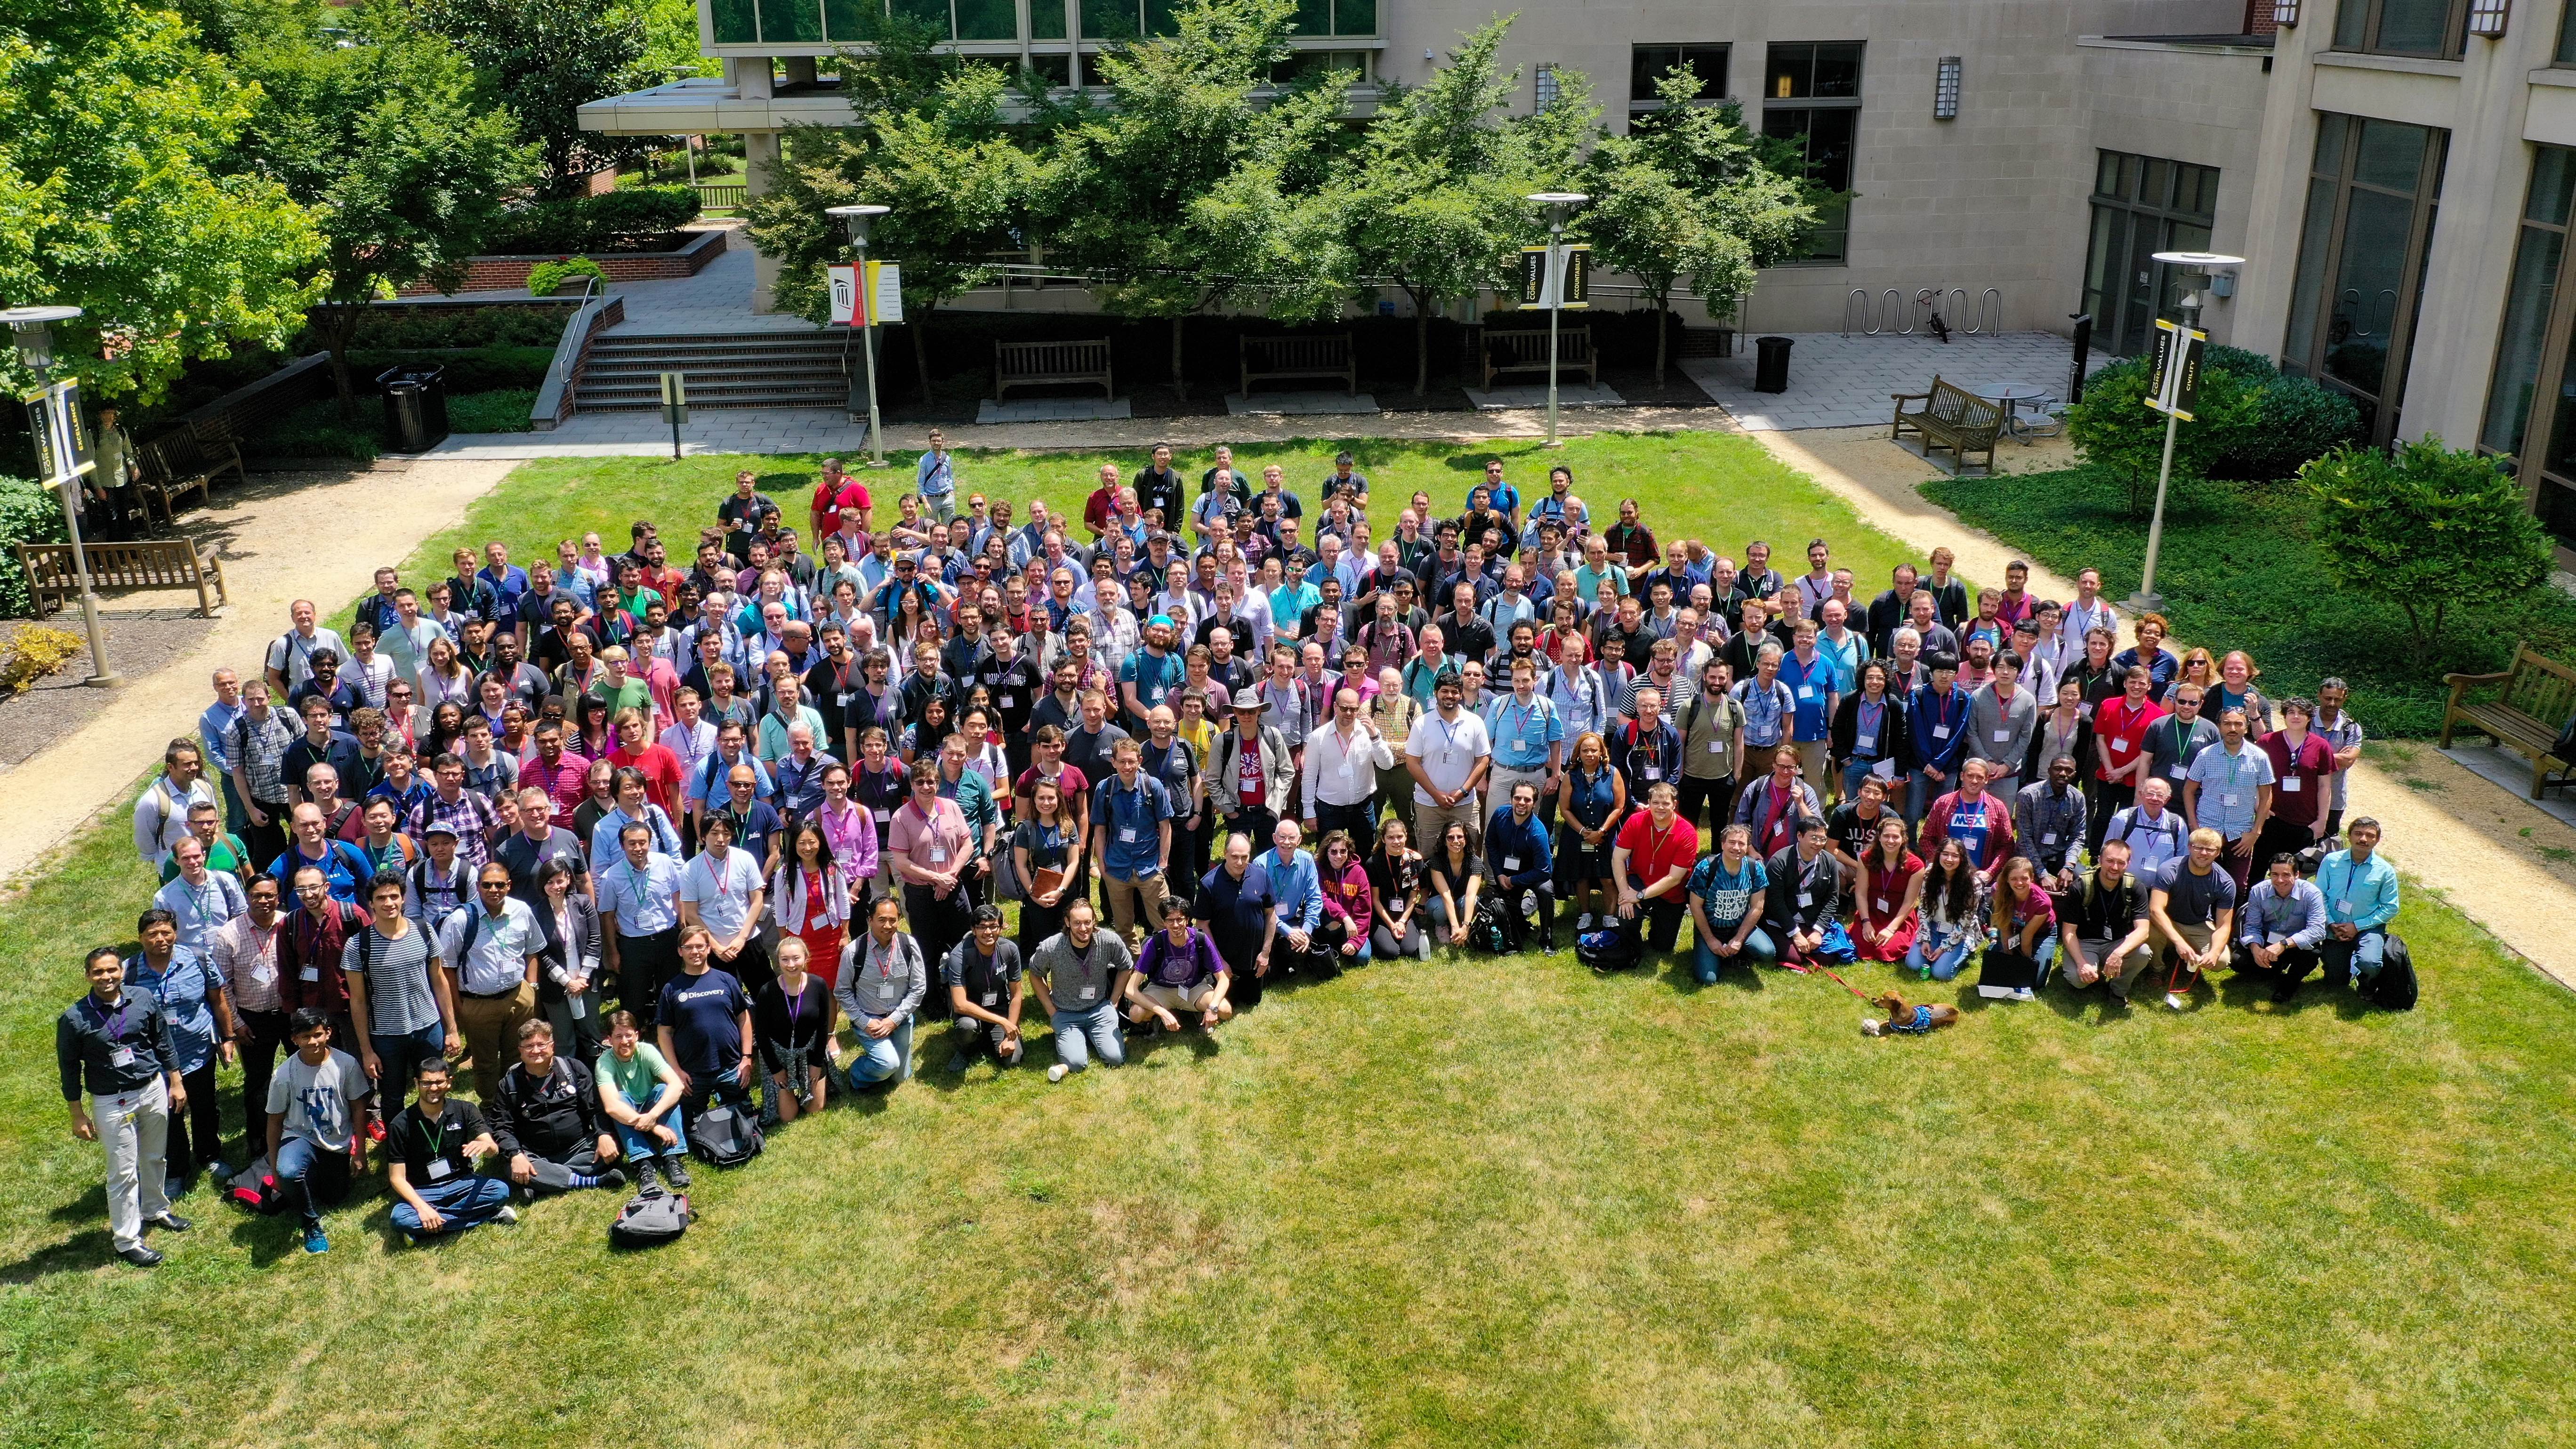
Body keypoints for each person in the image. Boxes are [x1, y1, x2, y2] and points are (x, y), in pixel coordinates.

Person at [60, 946, 191, 1266]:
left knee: (155, 1156)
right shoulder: (74, 1018)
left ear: (122, 971)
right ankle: (127, 1239)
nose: (106, 977)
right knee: (122, 1172)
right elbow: (69, 1068)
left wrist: (175, 1081)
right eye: (98, 972)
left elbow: (163, 1041)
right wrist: (77, 1114)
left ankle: (155, 1210)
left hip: (151, 1088)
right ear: (88, 976)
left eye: (112, 970)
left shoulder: (143, 999)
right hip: (111, 1099)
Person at [258, 1008, 370, 1253]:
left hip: (337, 1142)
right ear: (294, 1039)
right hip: (299, 1136)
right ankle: (311, 1224)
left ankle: (310, 1178)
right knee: (289, 1172)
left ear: (328, 1033)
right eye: (305, 1037)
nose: (313, 1042)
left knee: (334, 1198)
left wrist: (360, 1151)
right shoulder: (284, 1074)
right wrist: (275, 1169)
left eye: (318, 1034)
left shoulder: (346, 1064)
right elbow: (274, 1121)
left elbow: (359, 1109)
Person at [438, 864, 542, 1105]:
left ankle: (517, 1099)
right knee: (485, 1062)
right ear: (478, 887)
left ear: (509, 885)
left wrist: (532, 989)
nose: (494, 890)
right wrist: (459, 1008)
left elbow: (534, 950)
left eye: (500, 884)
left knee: (518, 1054)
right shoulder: (460, 920)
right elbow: (447, 969)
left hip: (519, 996)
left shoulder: (522, 910)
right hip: (478, 1004)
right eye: (487, 885)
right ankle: (490, 1104)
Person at [486, 1018, 626, 1198]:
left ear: (552, 1046)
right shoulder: (509, 1085)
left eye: (541, 1045)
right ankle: (591, 1181)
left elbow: (595, 1108)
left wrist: (604, 1135)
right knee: (514, 1164)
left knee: (615, 1145)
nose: (536, 1051)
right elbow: (502, 1127)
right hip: (535, 1154)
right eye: (529, 1047)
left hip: (580, 1148)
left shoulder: (574, 1069)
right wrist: (516, 1155)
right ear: (520, 1051)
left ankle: (545, 1183)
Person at [384, 1057, 517, 1243]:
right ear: (417, 1084)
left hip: (461, 1183)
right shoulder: (401, 1124)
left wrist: (487, 1146)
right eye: (427, 1083)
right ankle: (488, 1216)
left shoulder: (465, 1110)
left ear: (449, 1082)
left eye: (439, 1082)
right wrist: (422, 1208)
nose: (433, 1088)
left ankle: (428, 1227)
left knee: (500, 1190)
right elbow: (396, 1178)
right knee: (399, 1218)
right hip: (424, 1190)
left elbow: (492, 1148)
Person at [656, 923, 757, 1122]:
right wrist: (676, 1071)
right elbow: (664, 1033)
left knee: (744, 1120)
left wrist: (746, 1057)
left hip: (731, 1067)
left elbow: (743, 1018)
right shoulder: (671, 989)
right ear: (680, 952)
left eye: (700, 946)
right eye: (688, 947)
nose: (695, 951)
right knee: (693, 1125)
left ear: (709, 948)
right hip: (692, 1074)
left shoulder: (726, 980)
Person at [1030, 898, 1134, 1082]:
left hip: (1099, 1009)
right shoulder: (1051, 947)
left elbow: (1126, 966)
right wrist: (1052, 1011)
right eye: (1077, 923)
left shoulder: (1109, 941)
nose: (1083, 929)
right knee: (1076, 1064)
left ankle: (1089, 1037)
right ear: (1068, 923)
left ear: (1094, 921)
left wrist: (1114, 1001)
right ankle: (1078, 1039)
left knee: (1116, 1059)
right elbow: (1035, 975)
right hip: (1066, 1013)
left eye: (1088, 922)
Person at [597, 821, 684, 1028]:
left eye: (643, 843)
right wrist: (612, 953)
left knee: (671, 991)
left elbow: (677, 897)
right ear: (622, 846)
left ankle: (671, 1030)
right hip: (634, 945)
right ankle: (632, 1037)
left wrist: (684, 931)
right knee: (633, 998)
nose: (638, 849)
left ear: (650, 843)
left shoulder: (665, 863)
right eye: (632, 844)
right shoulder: (611, 877)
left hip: (667, 938)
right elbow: (607, 916)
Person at [595, 1009, 690, 1195]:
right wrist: (654, 1127)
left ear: (637, 1035)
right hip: (628, 1110)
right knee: (620, 1099)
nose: (625, 1041)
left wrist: (653, 1116)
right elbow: (611, 1106)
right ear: (609, 1040)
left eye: (629, 1035)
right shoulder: (604, 1063)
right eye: (618, 1036)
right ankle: (644, 1164)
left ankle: (672, 1159)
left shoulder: (647, 1051)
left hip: (648, 1106)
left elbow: (677, 1085)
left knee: (664, 1090)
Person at [837, 897, 926, 1089]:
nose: (888, 926)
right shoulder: (854, 951)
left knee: (900, 1077)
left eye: (893, 920)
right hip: (870, 1022)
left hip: (899, 1019)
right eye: (882, 920)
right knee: (889, 1064)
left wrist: (894, 1019)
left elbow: (919, 987)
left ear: (899, 920)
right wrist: (865, 1022)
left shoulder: (909, 945)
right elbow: (842, 991)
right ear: (870, 920)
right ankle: (857, 1074)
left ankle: (882, 1060)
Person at [2183, 706, 2275, 892]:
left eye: (2237, 724)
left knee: (2237, 885)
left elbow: (2266, 797)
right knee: (2201, 880)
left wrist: (2255, 833)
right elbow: (2188, 790)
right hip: (2208, 828)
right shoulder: (2206, 755)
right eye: (2227, 723)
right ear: (2219, 727)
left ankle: (2230, 921)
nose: (2232, 728)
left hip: (2241, 834)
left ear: (2246, 728)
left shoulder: (2259, 757)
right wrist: (2194, 827)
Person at [2149, 827, 2240, 1010]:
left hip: (2197, 923)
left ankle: (2191, 961)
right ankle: (2156, 969)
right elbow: (2155, 910)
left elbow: (2224, 926)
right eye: (2199, 848)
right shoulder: (2170, 870)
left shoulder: (2225, 883)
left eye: (2210, 849)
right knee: (2151, 932)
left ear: (2218, 853)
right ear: (2189, 847)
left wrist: (2214, 953)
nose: (2204, 853)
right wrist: (2179, 942)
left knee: (2222, 960)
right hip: (2167, 919)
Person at [1406, 669, 1492, 856]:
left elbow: (1483, 759)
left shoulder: (1475, 722)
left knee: (1468, 854)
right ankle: (1430, 887)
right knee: (1428, 857)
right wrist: (1435, 794)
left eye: (1454, 692)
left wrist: (1463, 792)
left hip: (1465, 804)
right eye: (1445, 691)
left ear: (1461, 695)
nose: (1450, 696)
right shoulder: (1422, 724)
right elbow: (1412, 762)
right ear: (1436, 693)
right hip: (1429, 804)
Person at [2059, 837, 2156, 1003]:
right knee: (2077, 980)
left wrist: (2119, 954)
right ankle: (2094, 968)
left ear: (2128, 864)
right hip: (2086, 941)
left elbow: (2143, 930)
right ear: (2100, 860)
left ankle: (2118, 989)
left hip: (2117, 942)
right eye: (2110, 861)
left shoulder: (2135, 888)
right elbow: (2068, 932)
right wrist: (2082, 963)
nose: (2115, 867)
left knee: (2143, 952)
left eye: (2121, 863)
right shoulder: (2081, 886)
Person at [755, 935, 839, 1119]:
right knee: (788, 1117)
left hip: (810, 1053)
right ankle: (786, 1090)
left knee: (814, 1109)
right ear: (778, 961)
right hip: (781, 1056)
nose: (791, 965)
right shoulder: (767, 992)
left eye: (796, 958)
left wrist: (816, 1064)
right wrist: (776, 1070)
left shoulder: (818, 985)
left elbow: (823, 1026)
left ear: (806, 958)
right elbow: (761, 1035)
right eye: (785, 959)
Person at [531, 857, 604, 1065]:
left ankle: (598, 1078)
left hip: (587, 980)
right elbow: (541, 952)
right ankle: (567, 1082)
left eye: (560, 881)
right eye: (550, 882)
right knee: (564, 1040)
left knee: (592, 1034)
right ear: (542, 884)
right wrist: (567, 981)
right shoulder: (536, 913)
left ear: (569, 880)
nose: (556, 887)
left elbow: (595, 940)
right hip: (556, 985)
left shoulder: (583, 903)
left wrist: (582, 977)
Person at [1613, 781, 1699, 954]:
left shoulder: (1687, 833)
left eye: (1666, 803)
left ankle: (1659, 925)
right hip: (1639, 878)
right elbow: (1618, 858)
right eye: (1656, 803)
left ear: (1675, 805)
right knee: (1626, 913)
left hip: (1671, 891)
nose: (1660, 808)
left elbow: (1674, 878)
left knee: (1663, 946)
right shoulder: (1635, 821)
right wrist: (1625, 894)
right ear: (1649, 803)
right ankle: (1631, 945)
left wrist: (1639, 895)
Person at [2317, 816, 2401, 991]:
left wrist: (2357, 926)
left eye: (2370, 836)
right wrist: (2331, 923)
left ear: (2377, 840)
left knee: (2370, 963)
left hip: (2367, 926)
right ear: (2349, 836)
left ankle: (2367, 982)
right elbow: (2319, 895)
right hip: (2335, 926)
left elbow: (2391, 907)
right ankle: (2353, 962)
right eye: (2358, 834)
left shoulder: (2385, 871)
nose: (2363, 839)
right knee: (2335, 982)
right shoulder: (2331, 861)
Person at [1129, 895, 1234, 1033]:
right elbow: (1130, 990)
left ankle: (1205, 1014)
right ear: (1163, 922)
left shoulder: (1200, 939)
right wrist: (1162, 1012)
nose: (1175, 925)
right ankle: (1157, 1017)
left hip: (1193, 987)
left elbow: (1223, 979)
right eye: (1170, 920)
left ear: (1188, 920)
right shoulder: (1155, 943)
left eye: (1180, 919)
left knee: (1225, 1010)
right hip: (1161, 989)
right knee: (1136, 1014)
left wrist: (1213, 1007)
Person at [2237, 853, 2331, 1003]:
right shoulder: (2258, 891)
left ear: (2297, 875)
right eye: (2275, 875)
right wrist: (2256, 950)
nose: (2280, 880)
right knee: (2239, 961)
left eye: (2286, 875)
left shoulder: (2312, 894)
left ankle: (2289, 985)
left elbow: (2318, 930)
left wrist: (2284, 945)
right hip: (2268, 938)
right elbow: (2252, 926)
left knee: (2311, 955)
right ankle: (2273, 967)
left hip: (2295, 942)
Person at [1685, 824, 1775, 981]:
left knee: (1767, 953)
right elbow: (1696, 907)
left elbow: (1757, 907)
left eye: (1742, 844)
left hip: (1739, 927)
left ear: (1748, 847)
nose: (1736, 847)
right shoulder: (1706, 868)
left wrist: (1739, 939)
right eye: (1732, 842)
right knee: (1707, 980)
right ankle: (1713, 951)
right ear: (1723, 844)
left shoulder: (1756, 869)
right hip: (1711, 929)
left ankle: (1736, 951)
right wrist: (1710, 940)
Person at [942, 906, 1026, 1070]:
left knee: (1012, 1061)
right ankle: (965, 1051)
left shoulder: (1010, 950)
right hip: (970, 1014)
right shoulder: (959, 955)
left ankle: (987, 1039)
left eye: (993, 926)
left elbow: (1017, 994)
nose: (988, 933)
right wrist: (1002, 1022)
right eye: (982, 927)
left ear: (1001, 928)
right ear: (973, 930)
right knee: (967, 1028)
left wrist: (1010, 1030)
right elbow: (960, 1004)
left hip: (999, 1009)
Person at [1764, 813, 1852, 968]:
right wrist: (1795, 934)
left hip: (1811, 920)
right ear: (1799, 836)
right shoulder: (1779, 861)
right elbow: (1775, 902)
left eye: (1823, 839)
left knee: (1827, 959)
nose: (1818, 843)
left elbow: (1832, 900)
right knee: (1794, 958)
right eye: (1813, 838)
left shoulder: (1829, 861)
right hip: (1782, 921)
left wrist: (1818, 931)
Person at [1209, 696, 1295, 853]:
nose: (1247, 716)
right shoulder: (1222, 741)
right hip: (1238, 812)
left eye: (1251, 711)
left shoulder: (1273, 736)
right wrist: (1228, 809)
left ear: (1259, 711)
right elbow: (1212, 780)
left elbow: (1287, 771)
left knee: (1270, 858)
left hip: (1267, 812)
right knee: (1238, 859)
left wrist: (1276, 804)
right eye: (1242, 712)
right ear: (1235, 712)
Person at [1484, 782, 1556, 952]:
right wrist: (1499, 874)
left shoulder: (1538, 832)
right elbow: (1491, 844)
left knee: (1546, 889)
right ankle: (1529, 905)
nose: (1522, 803)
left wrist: (1514, 880)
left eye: (1527, 799)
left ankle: (1547, 938)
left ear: (1534, 803)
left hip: (1532, 875)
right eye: (1518, 798)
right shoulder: (1500, 815)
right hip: (1506, 874)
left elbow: (1545, 870)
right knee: (1503, 916)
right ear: (1511, 799)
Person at [1903, 837, 1983, 982]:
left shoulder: (1973, 884)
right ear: (1939, 854)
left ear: (1962, 859)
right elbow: (1924, 909)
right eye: (1945, 854)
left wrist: (1943, 948)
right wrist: (1925, 939)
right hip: (1934, 927)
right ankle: (1935, 947)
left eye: (1955, 856)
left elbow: (1965, 922)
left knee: (1941, 973)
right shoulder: (1929, 874)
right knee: (1913, 965)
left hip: (1960, 933)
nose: (1949, 859)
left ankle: (1965, 950)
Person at [1850, 814, 1923, 963]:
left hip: (1899, 916)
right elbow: (1861, 893)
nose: (1890, 841)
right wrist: (1866, 922)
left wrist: (1891, 929)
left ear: (1903, 839)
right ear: (1880, 838)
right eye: (1886, 836)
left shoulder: (1916, 866)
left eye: (1895, 837)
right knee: (1861, 943)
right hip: (1872, 912)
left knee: (1885, 950)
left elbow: (1910, 902)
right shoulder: (1866, 858)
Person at [2014, 752, 2089, 895]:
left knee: (2085, 882)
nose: (2063, 774)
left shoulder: (2078, 798)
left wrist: (2069, 866)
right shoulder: (2028, 795)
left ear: (2074, 774)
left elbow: (2078, 836)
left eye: (2069, 771)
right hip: (2029, 855)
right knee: (2024, 883)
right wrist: (2042, 874)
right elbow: (2024, 839)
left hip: (2058, 854)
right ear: (2049, 771)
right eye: (2058, 769)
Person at [1985, 855, 2058, 998]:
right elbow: (2004, 924)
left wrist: (2023, 967)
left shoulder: (2043, 902)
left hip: (2042, 934)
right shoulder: (1998, 890)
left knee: (2034, 982)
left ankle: (2045, 960)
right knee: (2003, 965)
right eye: (2014, 879)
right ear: (2007, 879)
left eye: (2024, 878)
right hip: (2014, 929)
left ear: (2032, 878)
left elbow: (2027, 937)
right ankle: (1997, 944)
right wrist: (2009, 955)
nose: (2019, 883)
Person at [1365, 818, 1430, 960]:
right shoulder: (1374, 863)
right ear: (1383, 839)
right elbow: (1375, 900)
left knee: (1411, 950)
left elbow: (1414, 896)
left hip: (1405, 913)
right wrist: (1391, 925)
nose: (1396, 842)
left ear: (1406, 836)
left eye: (1400, 837)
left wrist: (1402, 922)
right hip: (1382, 915)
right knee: (1390, 952)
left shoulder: (1415, 860)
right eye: (1391, 838)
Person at [1425, 819, 1486, 950]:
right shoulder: (1437, 862)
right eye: (1451, 838)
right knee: (1440, 906)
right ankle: (1442, 925)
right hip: (1440, 902)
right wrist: (1455, 927)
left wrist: (1466, 926)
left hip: (1463, 902)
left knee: (1475, 901)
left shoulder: (1474, 862)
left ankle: (1465, 926)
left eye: (1460, 837)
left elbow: (1470, 895)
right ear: (1444, 840)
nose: (1456, 841)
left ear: (1466, 839)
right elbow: (1445, 895)